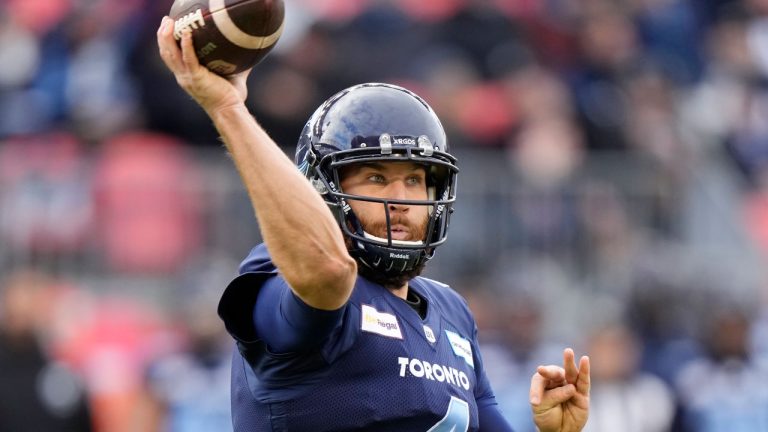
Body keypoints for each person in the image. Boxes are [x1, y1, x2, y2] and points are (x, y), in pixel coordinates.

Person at [157, 16, 590, 431]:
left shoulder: (451, 311)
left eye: (416, 181)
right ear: (321, 189)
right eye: (377, 178)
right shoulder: (284, 274)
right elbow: (326, 270)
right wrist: (229, 109)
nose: (401, 200)